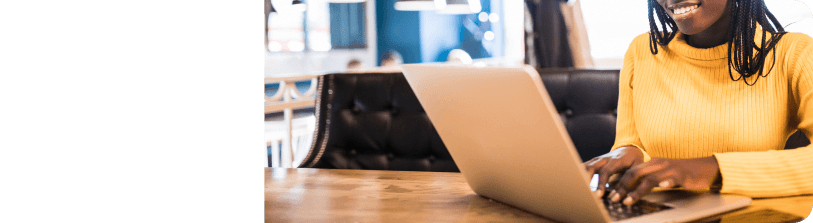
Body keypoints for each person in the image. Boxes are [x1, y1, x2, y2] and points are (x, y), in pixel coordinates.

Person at [584, 0, 813, 207]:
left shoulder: (794, 53)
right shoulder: (643, 50)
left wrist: (712, 169)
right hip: (659, 214)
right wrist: (626, 153)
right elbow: (632, 143)